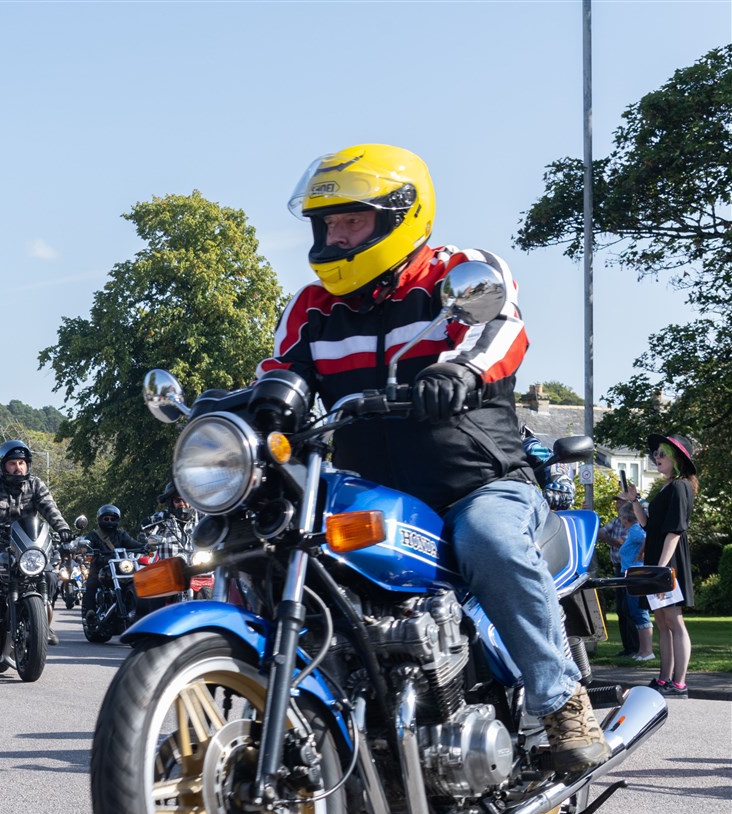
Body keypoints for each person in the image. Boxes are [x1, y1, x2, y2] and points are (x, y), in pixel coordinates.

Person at [256, 143, 606, 772]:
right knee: (288, 546)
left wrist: (461, 371)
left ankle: (561, 703)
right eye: (327, 222)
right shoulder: (315, 307)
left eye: (350, 220)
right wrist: (255, 407)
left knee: (490, 541)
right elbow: (282, 374)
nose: (334, 235)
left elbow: (501, 330)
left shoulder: (460, 274)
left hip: (480, 480)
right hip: (375, 491)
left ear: (399, 217)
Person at [0, 439, 71, 646]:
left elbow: (50, 508)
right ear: (3, 465)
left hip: (29, 547)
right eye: (12, 463)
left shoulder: (36, 484)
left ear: (27, 464)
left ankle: (43, 622)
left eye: (21, 463)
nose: (18, 468)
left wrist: (63, 528)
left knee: (51, 576)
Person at [623, 435, 697, 697]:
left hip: (669, 562)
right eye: (655, 453)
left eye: (662, 453)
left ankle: (679, 683)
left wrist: (661, 569)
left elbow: (675, 531)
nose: (656, 457)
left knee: (674, 621)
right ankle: (665, 679)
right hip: (658, 561)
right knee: (662, 620)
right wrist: (634, 500)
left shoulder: (680, 487)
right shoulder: (666, 487)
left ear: (677, 458)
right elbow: (648, 526)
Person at [81, 503, 140, 616]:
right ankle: (90, 612)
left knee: (134, 581)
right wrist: (84, 548)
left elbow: (133, 544)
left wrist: (145, 547)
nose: (109, 521)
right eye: (106, 518)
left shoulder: (121, 534)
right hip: (99, 568)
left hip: (120, 568)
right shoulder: (94, 535)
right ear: (100, 519)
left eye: (112, 518)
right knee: (92, 584)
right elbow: (86, 544)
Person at [614, 501, 654, 662]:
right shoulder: (632, 531)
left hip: (636, 574)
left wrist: (642, 554)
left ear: (626, 518)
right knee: (634, 612)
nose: (621, 521)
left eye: (621, 517)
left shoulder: (636, 530)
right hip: (631, 575)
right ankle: (642, 650)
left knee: (639, 612)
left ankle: (647, 650)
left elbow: (647, 537)